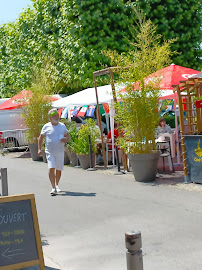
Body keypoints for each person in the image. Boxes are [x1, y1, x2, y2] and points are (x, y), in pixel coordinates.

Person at [38, 108, 70, 195]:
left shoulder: (62, 126)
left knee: (59, 169)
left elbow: (68, 137)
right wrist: (39, 149)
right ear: (50, 118)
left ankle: (57, 185)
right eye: (54, 116)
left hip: (60, 151)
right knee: (51, 167)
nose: (56, 117)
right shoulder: (46, 126)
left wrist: (65, 139)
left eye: (57, 115)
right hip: (50, 151)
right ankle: (53, 187)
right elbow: (41, 138)